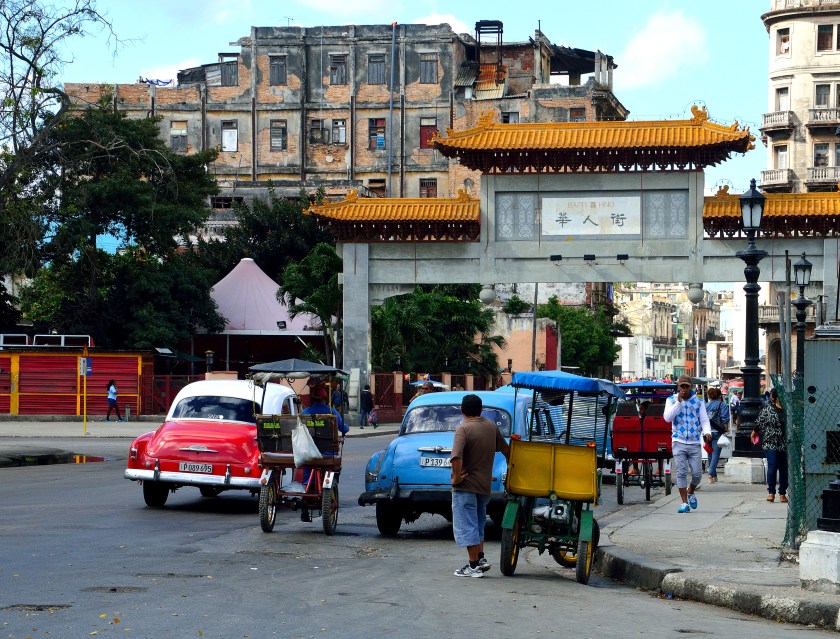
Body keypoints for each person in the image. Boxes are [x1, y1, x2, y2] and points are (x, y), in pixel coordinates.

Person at [450, 394, 510, 578]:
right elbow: (507, 451)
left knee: (467, 525)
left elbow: (456, 457)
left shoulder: (464, 429)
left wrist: (457, 478)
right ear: (481, 409)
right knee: (478, 523)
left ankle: (473, 566)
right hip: (484, 486)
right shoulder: (491, 427)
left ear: (462, 410)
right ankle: (481, 559)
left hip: (466, 486)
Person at [663, 374, 712, 513]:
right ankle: (684, 503)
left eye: (686, 386)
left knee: (697, 474)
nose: (684, 389)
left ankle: (690, 491)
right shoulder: (671, 400)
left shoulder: (698, 401)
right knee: (681, 472)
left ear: (691, 387)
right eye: (681, 386)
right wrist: (678, 403)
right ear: (678, 387)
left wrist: (707, 432)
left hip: (694, 441)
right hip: (678, 441)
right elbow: (667, 418)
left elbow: (704, 419)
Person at [752, 387, 788, 503]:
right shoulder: (768, 409)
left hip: (784, 443)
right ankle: (771, 492)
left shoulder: (789, 411)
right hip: (770, 441)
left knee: (784, 468)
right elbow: (760, 423)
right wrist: (754, 433)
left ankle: (782, 493)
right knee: (772, 466)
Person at [704, 387, 730, 483]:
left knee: (709, 453)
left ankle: (713, 476)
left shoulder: (705, 405)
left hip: (707, 432)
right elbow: (725, 418)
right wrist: (725, 429)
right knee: (715, 454)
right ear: (719, 395)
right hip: (717, 432)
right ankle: (710, 472)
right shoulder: (722, 405)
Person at [628, 400, 652, 476]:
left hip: (640, 447)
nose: (639, 412)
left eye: (641, 409)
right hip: (651, 448)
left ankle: (635, 469)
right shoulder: (655, 421)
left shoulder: (638, 421)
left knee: (632, 446)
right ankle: (660, 469)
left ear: (648, 410)